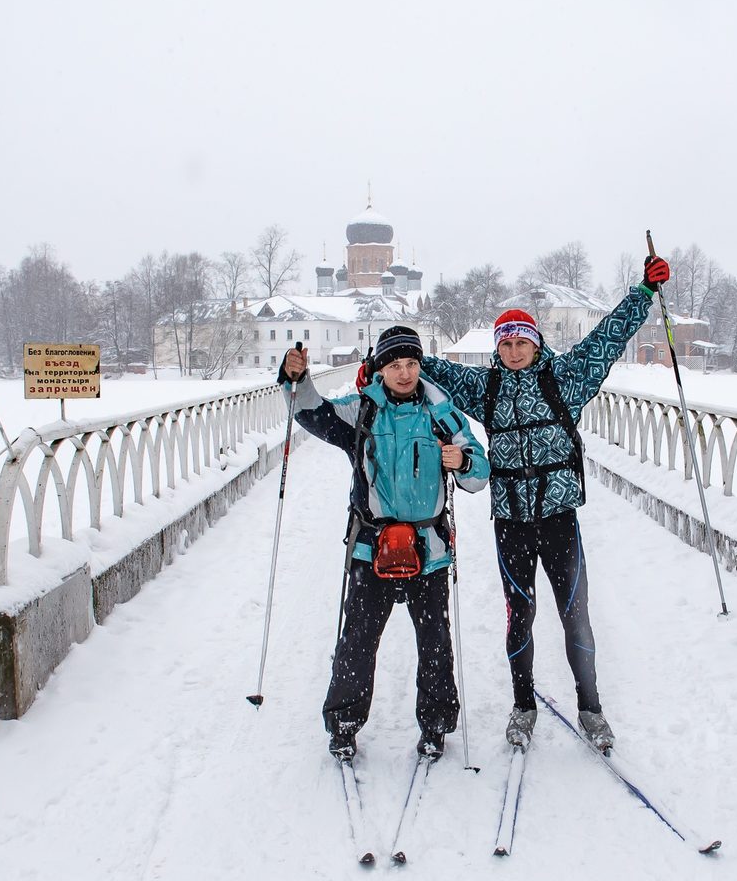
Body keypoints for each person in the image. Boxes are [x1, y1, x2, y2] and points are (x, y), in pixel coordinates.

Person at [418, 253, 670, 752]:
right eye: (506, 344)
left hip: (559, 517)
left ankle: (591, 708)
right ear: (498, 348)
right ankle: (523, 705)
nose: (514, 351)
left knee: (575, 613)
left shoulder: (566, 378)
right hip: (510, 519)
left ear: (536, 345)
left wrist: (643, 294)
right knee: (521, 613)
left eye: (522, 343)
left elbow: (608, 338)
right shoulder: (484, 385)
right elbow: (428, 369)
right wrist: (388, 354)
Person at [280, 325, 490, 762]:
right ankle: (343, 725)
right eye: (395, 364)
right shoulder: (361, 411)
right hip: (370, 548)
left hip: (429, 550)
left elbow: (478, 476)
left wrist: (463, 459)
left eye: (411, 363)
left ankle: (435, 726)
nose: (404, 372)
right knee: (357, 640)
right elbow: (313, 414)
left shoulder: (443, 414)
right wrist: (296, 380)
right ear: (380, 368)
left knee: (434, 641)